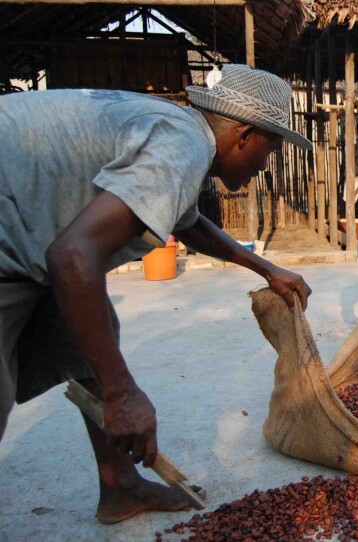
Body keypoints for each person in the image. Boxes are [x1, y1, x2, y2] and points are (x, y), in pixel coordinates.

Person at [0, 64, 314, 524]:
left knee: (92, 335)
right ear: (244, 136)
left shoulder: (180, 134)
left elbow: (184, 220)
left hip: (27, 234)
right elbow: (72, 259)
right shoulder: (181, 145)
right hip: (16, 242)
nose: (266, 165)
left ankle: (121, 486)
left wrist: (264, 267)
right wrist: (121, 393)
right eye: (271, 148)